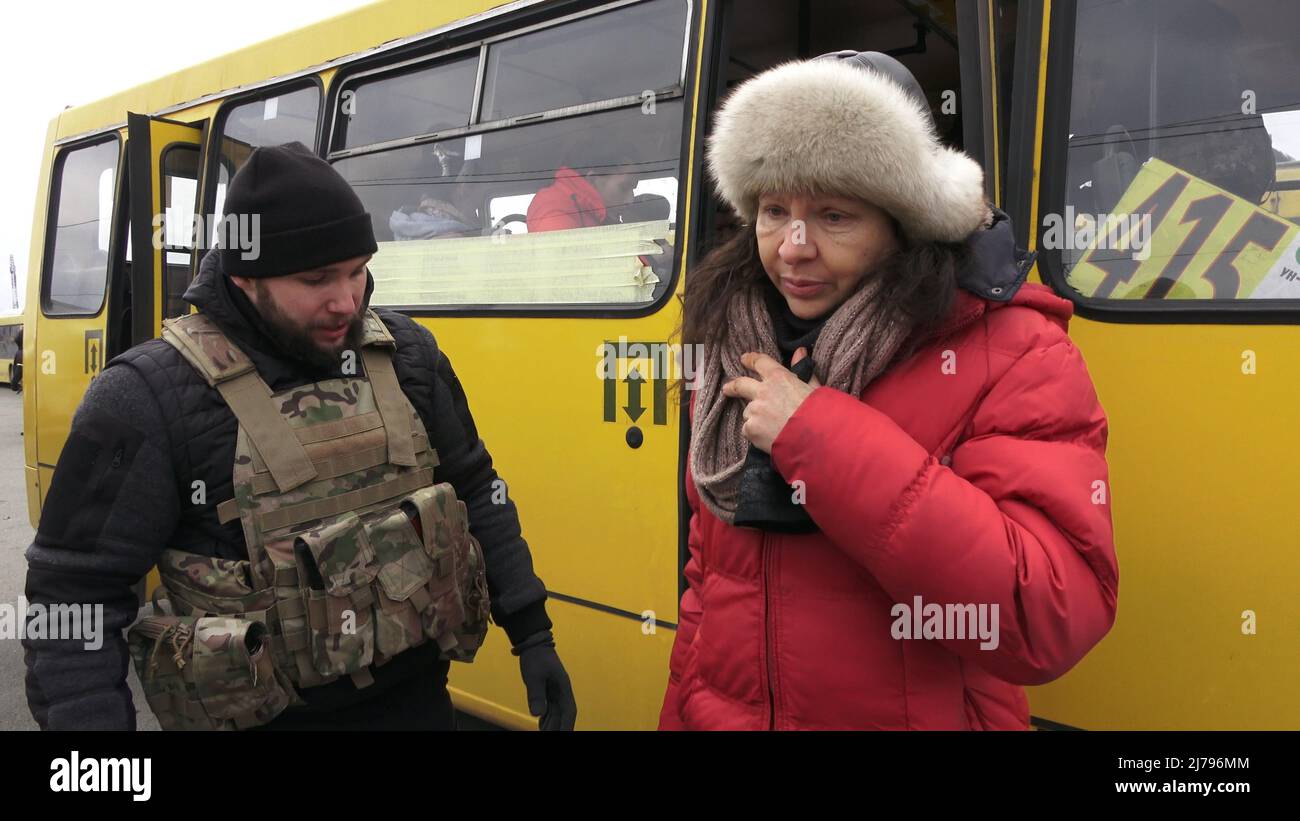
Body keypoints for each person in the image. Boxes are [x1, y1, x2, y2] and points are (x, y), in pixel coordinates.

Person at [23, 142, 577, 731]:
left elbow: (476, 488)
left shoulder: (409, 358)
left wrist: (532, 633)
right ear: (245, 277)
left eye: (358, 270)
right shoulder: (146, 397)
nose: (349, 301)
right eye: (316, 279)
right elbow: (72, 598)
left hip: (417, 708)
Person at [659, 52, 1118, 730]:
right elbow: (705, 594)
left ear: (905, 225)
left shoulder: (1011, 348)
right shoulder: (735, 339)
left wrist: (823, 439)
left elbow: (1047, 612)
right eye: (773, 209)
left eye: (835, 215)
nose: (792, 246)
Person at [526, 156, 638, 232]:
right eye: (624, 188)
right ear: (593, 180)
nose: (630, 200)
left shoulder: (595, 214)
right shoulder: (553, 207)